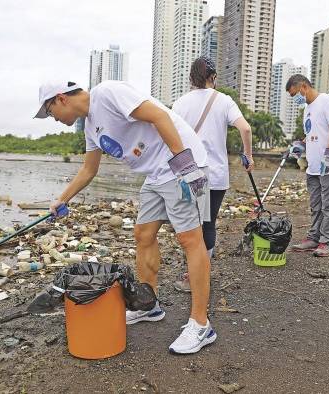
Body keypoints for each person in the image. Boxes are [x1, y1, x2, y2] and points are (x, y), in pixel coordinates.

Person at [34, 80, 216, 354]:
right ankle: (149, 305)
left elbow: (159, 115)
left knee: (190, 240)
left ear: (60, 99)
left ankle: (201, 325)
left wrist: (184, 163)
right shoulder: (90, 126)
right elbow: (88, 170)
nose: (54, 120)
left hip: (180, 164)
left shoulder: (107, 94)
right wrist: (62, 199)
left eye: (50, 112)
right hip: (156, 173)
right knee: (143, 234)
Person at [170, 56, 254, 292]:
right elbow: (245, 128)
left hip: (190, 173)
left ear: (191, 78)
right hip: (216, 174)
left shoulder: (180, 103)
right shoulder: (224, 100)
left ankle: (194, 275)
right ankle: (200, 272)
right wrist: (248, 155)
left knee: (191, 224)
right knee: (208, 223)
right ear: (213, 77)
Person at [285, 74, 329, 257]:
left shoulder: (327, 101)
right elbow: (314, 132)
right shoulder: (308, 108)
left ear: (304, 86)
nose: (295, 98)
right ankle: (314, 237)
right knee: (316, 205)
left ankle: (327, 240)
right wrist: (300, 144)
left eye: (294, 94)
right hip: (313, 166)